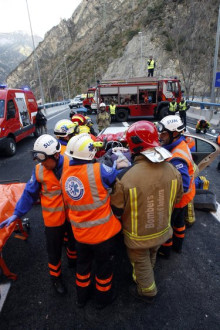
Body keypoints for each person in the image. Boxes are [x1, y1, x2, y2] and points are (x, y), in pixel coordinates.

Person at [110, 121, 183, 302]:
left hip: (138, 237)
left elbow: (116, 209)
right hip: (162, 229)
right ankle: (144, 278)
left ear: (133, 145)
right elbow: (178, 198)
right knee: (151, 253)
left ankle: (147, 291)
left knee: (141, 262)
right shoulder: (173, 170)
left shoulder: (125, 178)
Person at [0, 135, 70, 295]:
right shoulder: (39, 170)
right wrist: (17, 213)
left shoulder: (71, 164)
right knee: (54, 252)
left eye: (44, 159)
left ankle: (72, 261)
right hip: (53, 221)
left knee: (72, 244)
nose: (42, 163)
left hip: (73, 217)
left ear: (56, 155)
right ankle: (56, 278)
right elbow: (29, 194)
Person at [61, 133, 122, 309]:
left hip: (80, 235)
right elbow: (113, 175)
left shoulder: (65, 177)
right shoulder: (99, 170)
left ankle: (81, 298)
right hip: (102, 234)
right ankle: (102, 300)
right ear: (90, 154)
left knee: (83, 267)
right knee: (103, 269)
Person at [157, 115, 196, 258]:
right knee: (179, 224)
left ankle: (165, 251)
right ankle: (178, 246)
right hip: (185, 199)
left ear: (174, 134)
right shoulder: (180, 144)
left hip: (178, 201)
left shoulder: (177, 158)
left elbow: (184, 185)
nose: (161, 136)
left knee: (167, 227)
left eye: (164, 133)